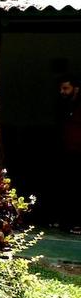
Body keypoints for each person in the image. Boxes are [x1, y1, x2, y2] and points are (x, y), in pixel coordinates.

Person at [57, 75, 81, 233]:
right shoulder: (66, 106)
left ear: (76, 88)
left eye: (66, 88)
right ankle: (69, 222)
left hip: (78, 152)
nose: (62, 92)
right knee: (69, 187)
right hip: (68, 152)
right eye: (61, 89)